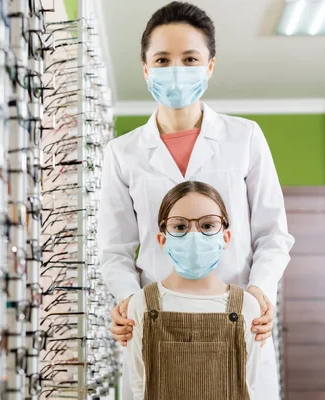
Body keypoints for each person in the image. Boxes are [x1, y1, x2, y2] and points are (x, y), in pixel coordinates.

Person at [96, 2, 295, 398]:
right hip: (155, 323)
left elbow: (273, 234)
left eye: (189, 58)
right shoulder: (123, 153)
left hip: (238, 317)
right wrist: (128, 302)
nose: (175, 69)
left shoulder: (245, 138)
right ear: (145, 68)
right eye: (162, 59)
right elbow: (113, 250)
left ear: (209, 66)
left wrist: (260, 291)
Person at [127, 181, 262, 400]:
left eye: (207, 226)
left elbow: (250, 387)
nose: (194, 236)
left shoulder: (247, 306)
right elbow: (138, 387)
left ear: (225, 238)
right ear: (162, 239)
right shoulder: (141, 304)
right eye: (180, 227)